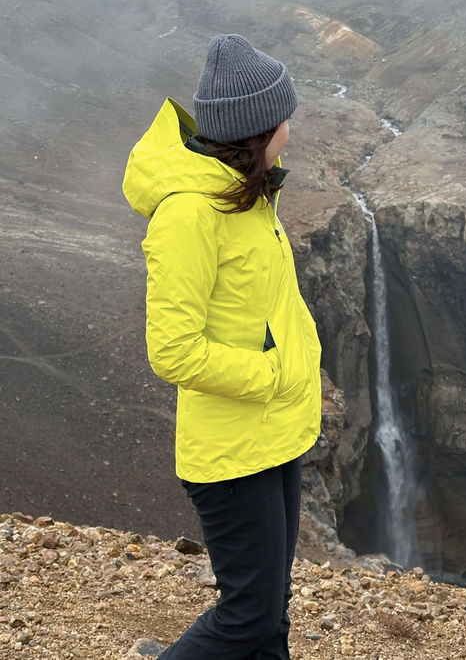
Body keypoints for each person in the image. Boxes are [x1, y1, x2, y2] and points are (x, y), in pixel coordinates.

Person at [122, 34, 322, 659]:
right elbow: (172, 351)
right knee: (247, 617)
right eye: (283, 112)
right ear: (259, 127)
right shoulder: (190, 213)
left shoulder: (249, 192)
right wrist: (270, 376)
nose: (292, 122)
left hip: (275, 430)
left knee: (270, 610)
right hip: (233, 450)